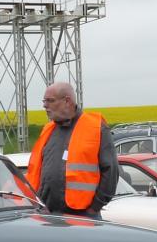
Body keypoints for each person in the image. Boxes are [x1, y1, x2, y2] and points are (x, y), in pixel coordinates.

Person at [25, 81, 118, 217]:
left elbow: (111, 172)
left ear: (67, 101)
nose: (45, 105)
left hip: (82, 215)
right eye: (44, 101)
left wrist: (95, 207)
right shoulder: (48, 130)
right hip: (47, 213)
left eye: (50, 101)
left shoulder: (96, 128)